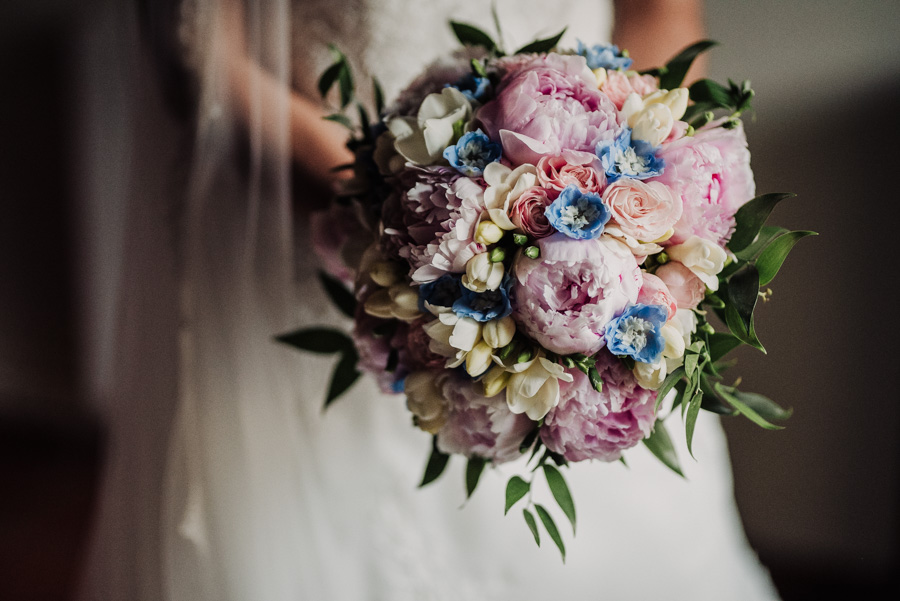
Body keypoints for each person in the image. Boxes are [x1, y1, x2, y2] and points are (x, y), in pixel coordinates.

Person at [75, 1, 780, 599]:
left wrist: (636, 200)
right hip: (319, 227)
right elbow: (202, 52)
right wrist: (414, 216)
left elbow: (661, 15)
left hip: (607, 286)